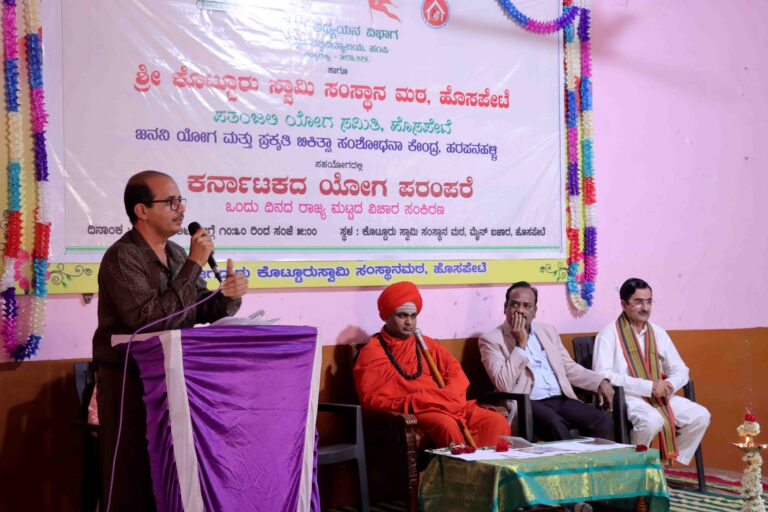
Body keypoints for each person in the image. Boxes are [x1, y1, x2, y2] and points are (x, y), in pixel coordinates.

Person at [92, 170, 248, 510]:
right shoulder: (122, 257)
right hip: (128, 378)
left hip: (176, 374)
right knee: (133, 468)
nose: (180, 209)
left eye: (181, 200)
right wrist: (194, 264)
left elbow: (198, 309)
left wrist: (228, 295)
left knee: (172, 466)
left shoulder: (177, 254)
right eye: (170, 201)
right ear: (142, 211)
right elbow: (148, 320)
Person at [354, 281, 510, 447]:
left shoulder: (427, 344)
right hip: (416, 411)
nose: (409, 322)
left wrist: (447, 397)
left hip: (448, 405)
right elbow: (372, 400)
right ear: (387, 316)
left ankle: (488, 472)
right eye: (402, 316)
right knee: (445, 424)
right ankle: (458, 472)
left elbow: (456, 374)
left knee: (495, 421)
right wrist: (420, 401)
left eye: (413, 316)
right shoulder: (372, 352)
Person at [593, 278, 710, 465]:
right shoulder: (609, 334)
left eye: (649, 301)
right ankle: (635, 465)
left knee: (700, 416)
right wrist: (648, 387)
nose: (645, 307)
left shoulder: (658, 332)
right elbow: (603, 375)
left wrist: (670, 384)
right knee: (652, 421)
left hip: (660, 394)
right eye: (638, 302)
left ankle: (662, 465)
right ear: (623, 304)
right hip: (627, 396)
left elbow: (681, 369)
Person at [479, 282, 615, 441]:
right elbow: (503, 383)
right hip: (528, 402)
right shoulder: (491, 340)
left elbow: (568, 367)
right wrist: (520, 345)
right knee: (554, 424)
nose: (520, 310)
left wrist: (599, 381)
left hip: (560, 399)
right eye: (514, 305)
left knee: (603, 421)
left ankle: (598, 466)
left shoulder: (548, 331)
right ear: (505, 308)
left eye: (527, 306)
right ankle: (569, 466)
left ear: (535, 311)